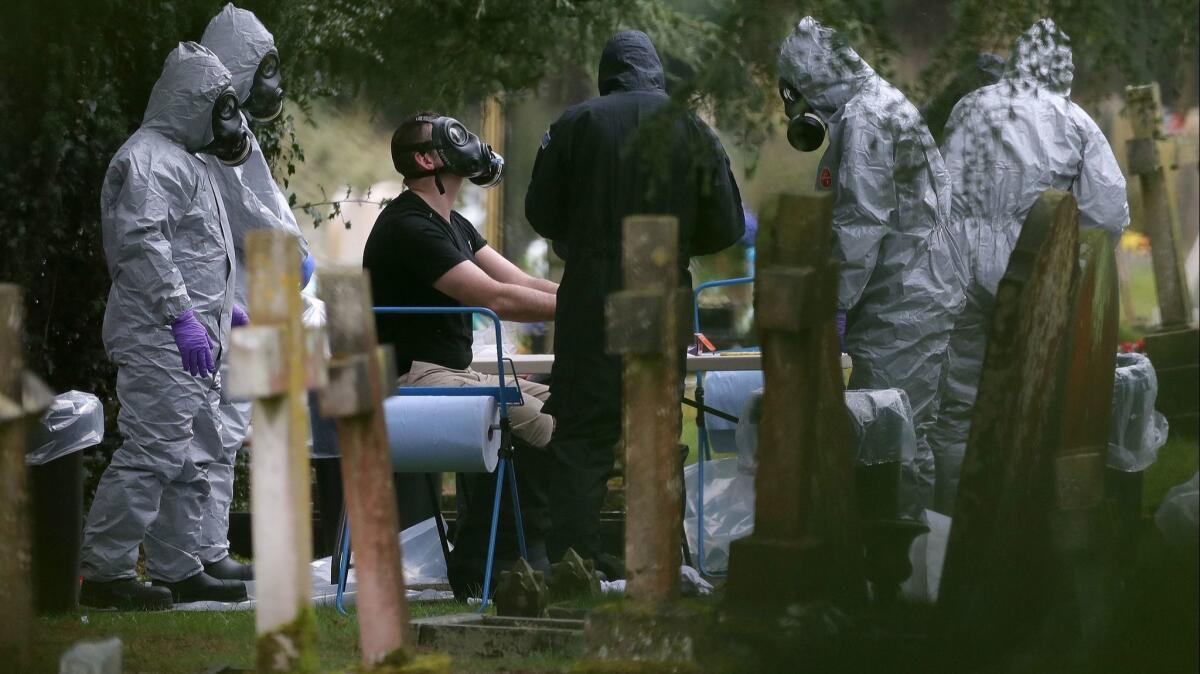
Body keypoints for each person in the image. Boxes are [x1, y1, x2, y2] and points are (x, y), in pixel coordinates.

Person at [525, 30, 745, 577]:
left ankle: (573, 557)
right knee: (656, 421)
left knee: (581, 425)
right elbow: (727, 222)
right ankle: (656, 554)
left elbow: (540, 211)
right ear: (655, 73)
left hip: (592, 289)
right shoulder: (691, 128)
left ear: (607, 74)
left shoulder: (574, 124)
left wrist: (579, 237)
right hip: (661, 284)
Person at [929, 18, 1129, 513]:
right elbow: (1108, 214)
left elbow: (935, 187)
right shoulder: (1074, 120)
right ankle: (1019, 525)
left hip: (956, 265)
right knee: (1035, 398)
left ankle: (957, 529)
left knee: (957, 408)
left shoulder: (969, 106)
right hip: (1031, 265)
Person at [80, 42, 252, 609]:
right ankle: (105, 573)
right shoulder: (149, 159)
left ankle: (179, 567)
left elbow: (195, 250)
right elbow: (142, 243)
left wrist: (224, 306)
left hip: (189, 341)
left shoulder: (187, 160)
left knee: (189, 456)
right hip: (160, 337)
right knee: (152, 452)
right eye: (221, 108)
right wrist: (182, 315)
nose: (231, 122)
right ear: (192, 102)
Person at [777, 17, 966, 518]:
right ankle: (906, 567)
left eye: (795, 97)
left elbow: (859, 223)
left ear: (808, 82)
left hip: (902, 304)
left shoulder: (866, 119)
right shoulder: (872, 107)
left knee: (894, 434)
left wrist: (832, 306)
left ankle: (902, 572)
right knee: (902, 430)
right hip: (909, 294)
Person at [364, 112, 558, 598]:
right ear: (427, 159)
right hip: (412, 381)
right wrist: (588, 312)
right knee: (544, 428)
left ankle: (496, 557)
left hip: (452, 374)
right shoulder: (411, 226)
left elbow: (524, 282)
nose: (470, 143)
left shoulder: (453, 224)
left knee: (567, 403)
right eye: (454, 138)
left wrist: (591, 297)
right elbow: (498, 300)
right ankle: (495, 564)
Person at [193, 2, 313, 582]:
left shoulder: (233, 138)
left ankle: (207, 549)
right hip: (226, 303)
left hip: (247, 299)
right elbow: (255, 222)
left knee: (226, 431)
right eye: (265, 68)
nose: (276, 84)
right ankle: (193, 554)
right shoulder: (211, 142)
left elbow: (266, 211)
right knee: (210, 433)